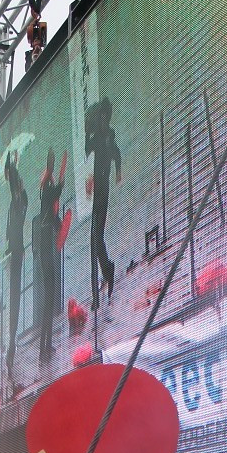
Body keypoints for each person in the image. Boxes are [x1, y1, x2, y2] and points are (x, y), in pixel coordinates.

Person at [85, 97, 121, 311]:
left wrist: (117, 170)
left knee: (95, 238)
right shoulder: (100, 136)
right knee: (96, 238)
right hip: (98, 189)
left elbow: (116, 153)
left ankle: (107, 272)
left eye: (103, 116)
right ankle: (107, 270)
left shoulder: (107, 136)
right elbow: (88, 150)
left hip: (103, 192)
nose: (102, 120)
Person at [4, 151, 28, 393]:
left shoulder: (21, 200)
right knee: (13, 302)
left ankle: (11, 345)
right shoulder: (14, 203)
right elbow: (8, 228)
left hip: (18, 253)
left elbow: (14, 185)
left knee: (15, 301)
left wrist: (13, 164)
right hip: (12, 254)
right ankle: (11, 345)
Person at [38, 149, 64, 361]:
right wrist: (61, 180)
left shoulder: (46, 186)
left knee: (49, 295)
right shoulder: (46, 187)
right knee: (49, 295)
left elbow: (53, 213)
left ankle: (45, 346)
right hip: (45, 241)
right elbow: (55, 194)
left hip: (46, 239)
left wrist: (61, 226)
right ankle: (44, 347)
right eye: (52, 164)